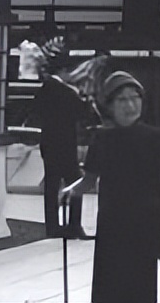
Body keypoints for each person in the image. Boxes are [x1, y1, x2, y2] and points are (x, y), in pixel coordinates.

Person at [61, 71, 160, 303]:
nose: (130, 105)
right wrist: (70, 192)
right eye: (122, 99)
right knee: (109, 286)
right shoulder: (102, 139)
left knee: (140, 288)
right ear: (110, 105)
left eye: (135, 97)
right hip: (112, 225)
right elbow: (89, 180)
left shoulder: (154, 138)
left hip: (145, 224)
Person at [30, 55, 104, 239]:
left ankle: (53, 226)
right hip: (64, 143)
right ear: (63, 71)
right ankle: (73, 225)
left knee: (52, 185)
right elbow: (80, 113)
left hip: (49, 142)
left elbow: (35, 111)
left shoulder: (45, 88)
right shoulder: (65, 91)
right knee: (75, 181)